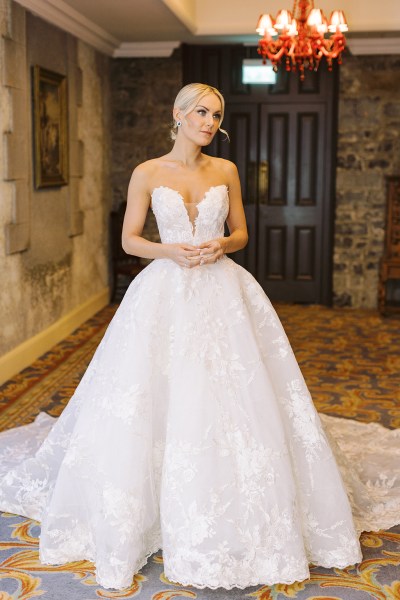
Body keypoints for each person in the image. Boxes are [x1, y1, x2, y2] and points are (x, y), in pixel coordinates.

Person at [0, 83, 399, 592]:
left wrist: (220, 245)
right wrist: (171, 253)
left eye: (216, 115)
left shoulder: (225, 171)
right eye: (201, 113)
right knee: (157, 392)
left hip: (223, 288)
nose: (210, 122)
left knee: (232, 392)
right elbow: (129, 239)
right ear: (179, 114)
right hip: (166, 290)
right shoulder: (147, 172)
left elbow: (241, 234)